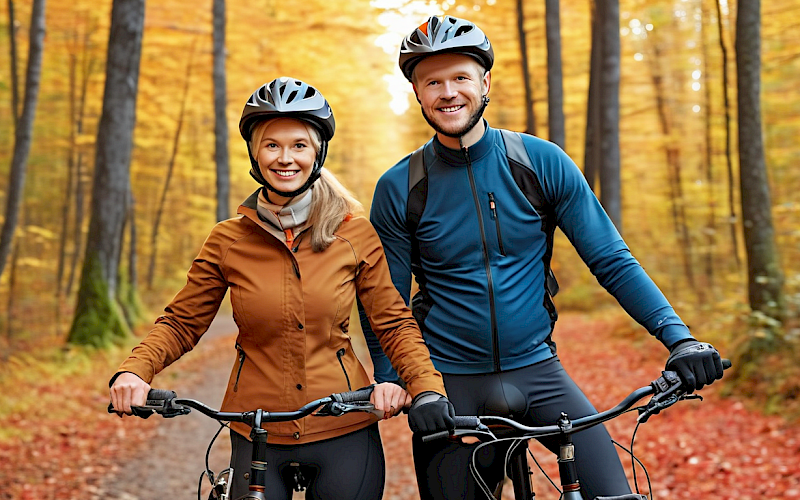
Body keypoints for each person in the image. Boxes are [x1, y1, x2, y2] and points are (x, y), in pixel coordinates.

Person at [360, 15, 726, 500]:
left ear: (484, 82)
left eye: (460, 78)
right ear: (418, 92)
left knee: (613, 493)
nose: (448, 93)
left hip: (539, 372)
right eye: (433, 82)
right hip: (448, 382)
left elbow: (612, 261)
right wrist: (395, 380)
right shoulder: (400, 187)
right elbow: (387, 303)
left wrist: (680, 340)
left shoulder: (540, 162)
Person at [109, 76, 453, 500]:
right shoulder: (227, 239)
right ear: (255, 153)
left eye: (299, 145)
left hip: (343, 422)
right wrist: (135, 371)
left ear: (317, 153)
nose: (285, 158)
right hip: (255, 426)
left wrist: (427, 388)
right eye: (272, 145)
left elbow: (393, 323)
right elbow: (181, 322)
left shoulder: (353, 234)